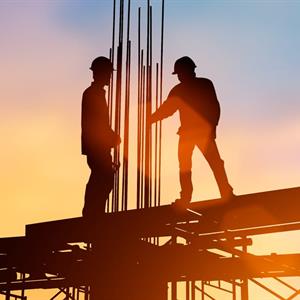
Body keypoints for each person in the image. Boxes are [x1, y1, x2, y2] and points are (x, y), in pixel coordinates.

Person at [151, 56, 234, 206]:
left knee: (212, 164)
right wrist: (151, 119)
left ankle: (225, 192)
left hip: (200, 132)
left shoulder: (202, 85)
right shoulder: (182, 89)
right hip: (189, 133)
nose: (179, 77)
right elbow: (167, 109)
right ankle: (189, 197)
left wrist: (212, 127)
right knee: (187, 166)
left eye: (180, 74)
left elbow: (214, 107)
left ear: (188, 71)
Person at [81, 56, 120, 218]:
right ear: (100, 73)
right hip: (96, 146)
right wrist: (112, 137)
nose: (110, 76)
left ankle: (94, 213)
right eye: (108, 73)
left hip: (99, 146)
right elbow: (96, 122)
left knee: (103, 179)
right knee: (102, 179)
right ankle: (92, 214)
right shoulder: (93, 94)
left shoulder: (96, 93)